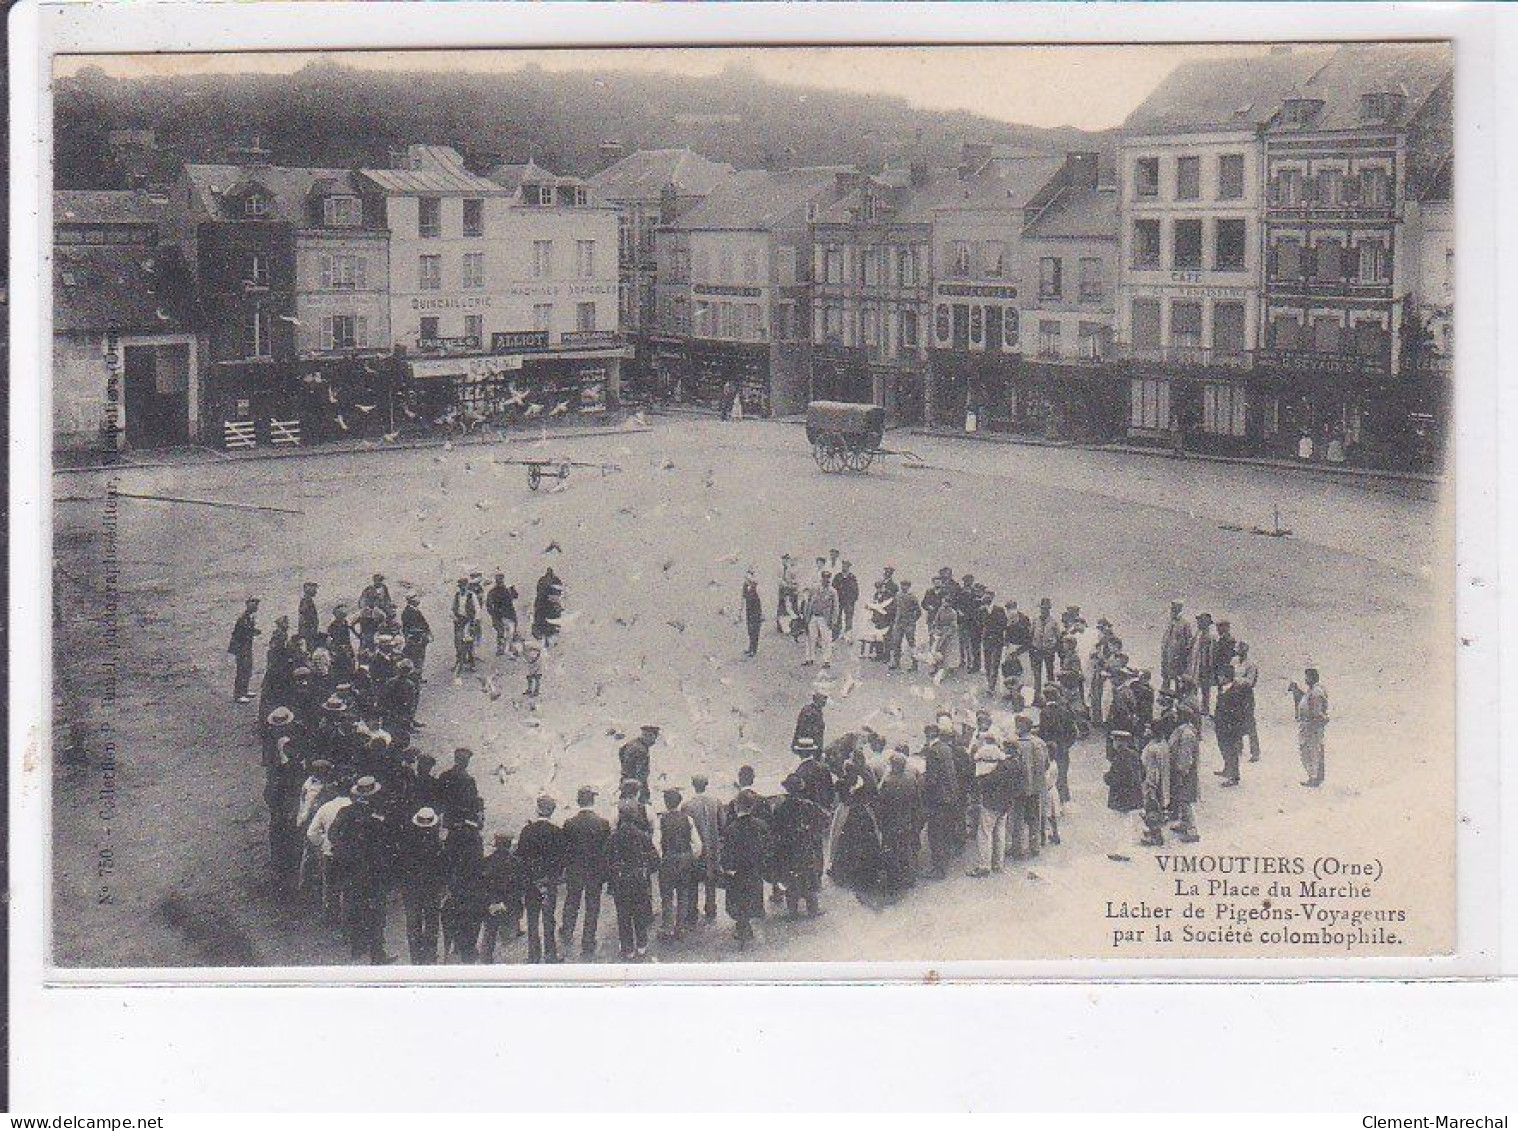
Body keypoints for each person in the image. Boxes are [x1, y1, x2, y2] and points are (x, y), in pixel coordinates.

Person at [330, 775, 396, 964]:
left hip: (353, 872)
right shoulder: (380, 815)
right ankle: (376, 952)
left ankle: (358, 949)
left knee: (356, 909)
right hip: (373, 873)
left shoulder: (346, 812)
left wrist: (345, 854)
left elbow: (333, 835)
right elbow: (388, 844)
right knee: (375, 913)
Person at [560, 786, 611, 959]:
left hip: (575, 870)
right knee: (592, 906)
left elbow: (565, 850)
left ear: (578, 801)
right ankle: (588, 940)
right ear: (593, 801)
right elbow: (606, 851)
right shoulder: (603, 823)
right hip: (594, 872)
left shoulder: (569, 823)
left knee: (572, 902)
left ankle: (567, 931)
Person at [607, 800, 660, 959]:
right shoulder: (642, 836)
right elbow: (654, 859)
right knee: (639, 912)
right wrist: (645, 870)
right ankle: (642, 944)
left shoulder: (613, 838)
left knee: (623, 915)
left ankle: (627, 947)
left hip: (620, 880)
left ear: (620, 817)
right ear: (636, 816)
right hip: (638, 879)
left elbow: (606, 860)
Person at [517, 795, 567, 963]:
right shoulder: (557, 832)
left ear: (537, 809)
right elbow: (561, 859)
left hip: (531, 883)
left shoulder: (527, 831)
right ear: (552, 812)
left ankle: (533, 956)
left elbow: (520, 858)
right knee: (548, 919)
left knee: (532, 920)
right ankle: (550, 955)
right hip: (548, 882)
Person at [770, 775, 829, 918]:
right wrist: (812, 832)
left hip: (788, 848)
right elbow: (825, 819)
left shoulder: (780, 807)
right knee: (808, 877)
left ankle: (793, 911)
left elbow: (774, 829)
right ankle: (812, 910)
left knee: (791, 879)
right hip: (805, 846)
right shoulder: (808, 805)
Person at [720, 789, 771, 947]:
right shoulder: (761, 825)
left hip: (738, 872)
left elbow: (727, 852)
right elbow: (767, 847)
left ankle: (742, 926)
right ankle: (748, 921)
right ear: (752, 806)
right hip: (754, 870)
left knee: (737, 899)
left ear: (736, 806)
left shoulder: (731, 829)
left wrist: (727, 868)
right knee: (753, 895)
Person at [399, 806, 446, 964]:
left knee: (413, 924)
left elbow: (401, 867)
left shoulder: (407, 843)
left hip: (411, 889)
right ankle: (430, 955)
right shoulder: (437, 845)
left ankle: (416, 957)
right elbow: (442, 869)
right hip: (432, 890)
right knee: (432, 923)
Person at [654, 787, 703, 938]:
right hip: (684, 859)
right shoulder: (687, 819)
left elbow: (656, 842)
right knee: (683, 894)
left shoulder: (661, 819)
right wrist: (691, 856)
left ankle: (667, 927)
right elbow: (698, 844)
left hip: (668, 859)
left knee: (667, 896)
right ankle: (680, 927)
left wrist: (662, 857)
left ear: (665, 803)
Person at [920, 724, 962, 879]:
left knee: (935, 833)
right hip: (950, 796)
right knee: (944, 831)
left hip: (938, 798)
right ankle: (943, 863)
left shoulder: (933, 751)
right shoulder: (945, 748)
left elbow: (932, 780)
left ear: (928, 734)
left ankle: (938, 869)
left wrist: (921, 783)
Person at [682, 775, 725, 925]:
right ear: (706, 784)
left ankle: (692, 911)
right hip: (713, 846)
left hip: (696, 848)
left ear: (693, 785)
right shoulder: (716, 802)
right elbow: (722, 824)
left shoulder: (687, 805)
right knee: (711, 879)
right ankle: (711, 908)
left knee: (693, 880)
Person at [969, 738, 1016, 876]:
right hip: (1005, 803)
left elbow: (986, 782)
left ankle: (984, 866)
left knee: (985, 833)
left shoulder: (995, 769)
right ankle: (998, 864)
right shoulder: (1011, 764)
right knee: (1000, 832)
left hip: (991, 803)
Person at [479, 832, 526, 962]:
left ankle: (486, 960)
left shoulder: (487, 861)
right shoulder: (516, 863)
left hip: (492, 904)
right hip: (510, 904)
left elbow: (483, 884)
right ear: (510, 845)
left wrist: (491, 901)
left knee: (489, 934)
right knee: (510, 938)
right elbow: (520, 886)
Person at [1007, 715, 1049, 859]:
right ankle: (1034, 846)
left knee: (1017, 818)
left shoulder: (1013, 743)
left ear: (1025, 726)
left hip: (1018, 788)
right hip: (1036, 787)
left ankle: (1017, 848)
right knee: (1034, 818)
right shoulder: (1039, 743)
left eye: (1018, 725)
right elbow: (1046, 764)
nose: (1016, 727)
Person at [1290, 668, 1330, 787]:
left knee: (1311, 751)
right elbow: (1306, 700)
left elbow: (1315, 711)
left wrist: (1311, 725)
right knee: (1311, 750)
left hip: (1311, 726)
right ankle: (1314, 776)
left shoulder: (1316, 692)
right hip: (1309, 725)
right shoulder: (1313, 690)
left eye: (1307, 677)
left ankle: (1314, 777)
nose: (1305, 679)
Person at [1168, 708, 1202, 842]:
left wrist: (1181, 772)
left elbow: (1185, 756)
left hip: (1185, 772)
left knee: (1185, 799)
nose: (1175, 716)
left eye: (1177, 714)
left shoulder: (1187, 734)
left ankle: (1193, 830)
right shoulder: (1183, 730)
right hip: (1181, 771)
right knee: (1180, 798)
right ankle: (1184, 823)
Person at [1038, 687, 1078, 804]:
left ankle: (1051, 804)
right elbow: (1073, 732)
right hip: (1062, 750)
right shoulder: (1064, 711)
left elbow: (1043, 732)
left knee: (1049, 777)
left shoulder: (1044, 712)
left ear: (1046, 697)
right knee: (1062, 778)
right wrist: (1066, 745)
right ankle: (1064, 802)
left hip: (1049, 751)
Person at [1213, 666, 1250, 786]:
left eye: (1220, 676)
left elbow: (1237, 711)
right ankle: (1227, 769)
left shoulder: (1234, 691)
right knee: (1223, 748)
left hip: (1229, 727)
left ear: (1226, 677)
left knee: (1231, 751)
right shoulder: (1224, 689)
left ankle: (1234, 776)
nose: (1218, 678)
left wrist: (1231, 725)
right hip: (1221, 726)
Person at [436, 747, 483, 827]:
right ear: (456, 760)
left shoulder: (469, 780)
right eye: (462, 759)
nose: (465, 762)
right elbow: (439, 796)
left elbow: (474, 797)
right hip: (455, 817)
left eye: (466, 759)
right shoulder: (447, 776)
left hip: (460, 817)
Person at [229, 597, 261, 702]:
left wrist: (254, 631)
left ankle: (244, 690)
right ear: (247, 605)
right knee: (242, 669)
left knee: (247, 668)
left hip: (246, 647)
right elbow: (241, 633)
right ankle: (239, 694)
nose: (256, 607)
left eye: (256, 604)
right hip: (241, 648)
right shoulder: (244, 618)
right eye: (253, 604)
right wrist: (252, 632)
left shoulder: (249, 617)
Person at [618, 725, 660, 805]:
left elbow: (621, 753)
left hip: (625, 782)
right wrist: (644, 796)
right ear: (649, 736)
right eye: (654, 738)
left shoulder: (630, 744)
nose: (654, 742)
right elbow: (640, 776)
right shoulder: (641, 750)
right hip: (634, 787)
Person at [802, 573, 838, 667]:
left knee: (826, 640)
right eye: (824, 578)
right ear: (821, 579)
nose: (826, 580)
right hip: (813, 616)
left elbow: (835, 607)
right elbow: (808, 602)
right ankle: (809, 658)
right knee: (811, 638)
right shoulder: (814, 589)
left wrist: (833, 621)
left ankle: (826, 660)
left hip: (824, 618)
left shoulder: (832, 592)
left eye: (828, 579)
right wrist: (807, 616)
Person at [1160, 601, 1194, 694]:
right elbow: (1166, 639)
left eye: (1174, 609)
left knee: (1178, 680)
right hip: (1167, 656)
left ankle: (1179, 700)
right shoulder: (1170, 623)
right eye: (1172, 609)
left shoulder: (1185, 624)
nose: (1172, 611)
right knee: (1165, 678)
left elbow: (1188, 642)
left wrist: (1182, 656)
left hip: (1178, 658)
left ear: (1179, 609)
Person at [1029, 598, 1060, 699]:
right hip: (1037, 650)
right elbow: (1031, 635)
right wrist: (1032, 648)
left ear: (1049, 610)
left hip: (1048, 651)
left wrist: (1053, 648)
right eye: (1042, 609)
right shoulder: (1035, 621)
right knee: (1037, 675)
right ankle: (1037, 696)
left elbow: (1058, 637)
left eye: (1046, 609)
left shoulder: (1053, 622)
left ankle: (1051, 696)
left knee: (1050, 674)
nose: (1044, 611)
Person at [887, 581, 921, 671]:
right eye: (902, 585)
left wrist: (912, 620)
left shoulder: (912, 597)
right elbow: (894, 609)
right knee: (896, 643)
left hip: (909, 624)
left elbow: (918, 611)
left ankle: (915, 664)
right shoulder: (897, 596)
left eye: (906, 585)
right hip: (899, 623)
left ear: (909, 586)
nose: (903, 587)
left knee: (911, 643)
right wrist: (894, 620)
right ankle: (896, 662)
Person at [981, 596, 1009, 696]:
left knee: (994, 664)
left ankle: (991, 687)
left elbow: (1004, 624)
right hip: (986, 641)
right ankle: (989, 684)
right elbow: (980, 624)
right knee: (987, 664)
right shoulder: (982, 610)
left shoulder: (999, 610)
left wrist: (995, 632)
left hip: (997, 641)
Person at [485, 573, 519, 656]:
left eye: (501, 579)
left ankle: (511, 647)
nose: (500, 581)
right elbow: (488, 605)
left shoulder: (507, 590)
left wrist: (513, 590)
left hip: (509, 615)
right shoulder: (492, 592)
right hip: (499, 616)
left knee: (511, 631)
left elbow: (515, 596)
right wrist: (493, 614)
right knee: (501, 631)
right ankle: (501, 648)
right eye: (498, 579)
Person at [450, 578, 479, 675]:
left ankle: (472, 663)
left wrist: (475, 621)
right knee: (458, 642)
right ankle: (459, 662)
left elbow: (477, 609)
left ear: (467, 586)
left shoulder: (472, 595)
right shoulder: (457, 595)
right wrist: (454, 617)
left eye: (464, 586)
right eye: (461, 586)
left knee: (469, 642)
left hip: (468, 621)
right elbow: (452, 609)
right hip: (459, 621)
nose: (462, 588)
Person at [400, 594, 432, 676]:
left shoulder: (415, 610)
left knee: (420, 657)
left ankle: (418, 675)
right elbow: (408, 628)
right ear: (411, 601)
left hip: (420, 638)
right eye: (415, 598)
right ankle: (416, 676)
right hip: (415, 639)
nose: (418, 600)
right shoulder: (407, 612)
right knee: (416, 658)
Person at [532, 568, 564, 646]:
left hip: (542, 605)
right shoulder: (553, 581)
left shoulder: (542, 581)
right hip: (545, 606)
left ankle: (546, 637)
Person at [832, 561, 859, 636]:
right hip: (839, 600)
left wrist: (852, 600)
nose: (844, 567)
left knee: (849, 618)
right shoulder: (837, 576)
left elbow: (856, 590)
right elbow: (833, 588)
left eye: (846, 566)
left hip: (848, 601)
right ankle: (836, 633)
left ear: (848, 567)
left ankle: (848, 634)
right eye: (843, 566)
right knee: (837, 617)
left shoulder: (852, 577)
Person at [741, 572, 763, 657]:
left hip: (755, 614)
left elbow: (758, 602)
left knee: (754, 632)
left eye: (747, 580)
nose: (746, 581)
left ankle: (753, 650)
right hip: (749, 613)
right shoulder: (748, 589)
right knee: (750, 631)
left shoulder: (755, 590)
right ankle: (750, 648)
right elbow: (744, 596)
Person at [775, 554, 800, 633]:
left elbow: (794, 579)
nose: (785, 561)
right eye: (784, 559)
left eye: (787, 559)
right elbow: (779, 579)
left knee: (792, 605)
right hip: (783, 589)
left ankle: (794, 624)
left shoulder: (791, 569)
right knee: (782, 605)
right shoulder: (780, 568)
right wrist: (784, 584)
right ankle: (780, 625)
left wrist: (791, 584)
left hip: (791, 589)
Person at [298, 581, 321, 648]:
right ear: (309, 590)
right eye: (314, 589)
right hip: (308, 633)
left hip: (310, 632)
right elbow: (304, 616)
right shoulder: (306, 601)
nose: (316, 592)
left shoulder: (307, 600)